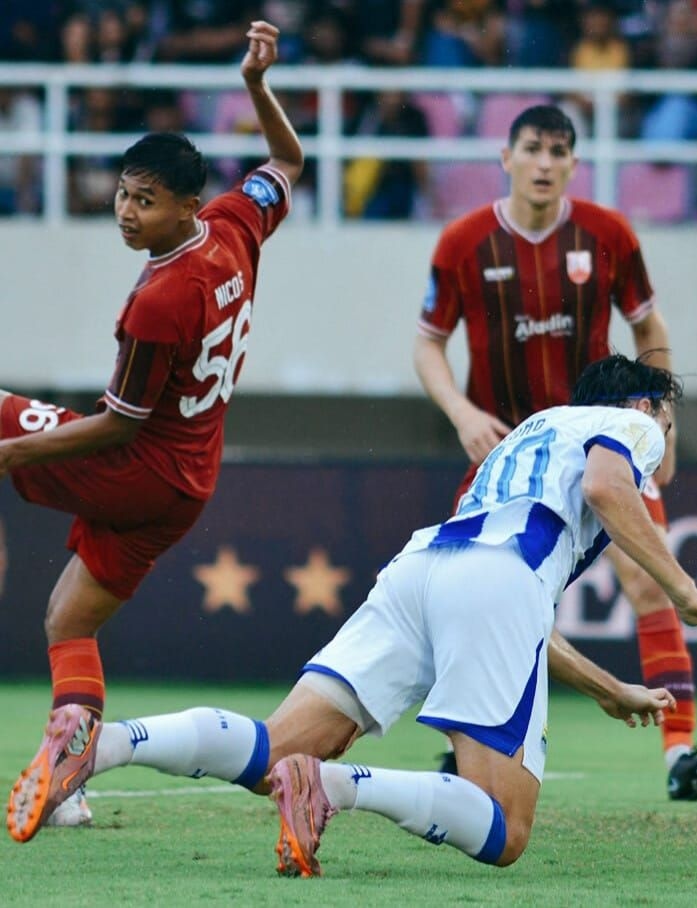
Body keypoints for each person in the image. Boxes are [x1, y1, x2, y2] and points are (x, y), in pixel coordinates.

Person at [6, 354, 697, 876]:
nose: (665, 442)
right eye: (668, 424)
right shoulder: (629, 426)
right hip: (493, 584)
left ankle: (100, 747)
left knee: (272, 753)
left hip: (423, 570)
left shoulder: (534, 431)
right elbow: (605, 491)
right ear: (644, 408)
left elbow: (508, 612)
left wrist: (607, 689)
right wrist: (686, 592)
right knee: (506, 829)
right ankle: (333, 788)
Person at [1, 20, 303, 837]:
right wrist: (257, 86)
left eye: (145, 201)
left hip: (137, 469)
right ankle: (70, 786)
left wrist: (13, 453)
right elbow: (288, 163)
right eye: (124, 194)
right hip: (188, 487)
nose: (127, 213)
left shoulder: (161, 299)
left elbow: (117, 426)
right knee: (68, 622)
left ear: (185, 207)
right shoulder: (235, 224)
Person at [412, 104, 697, 801]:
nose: (545, 163)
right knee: (482, 597)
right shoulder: (463, 242)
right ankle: (463, 746)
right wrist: (461, 412)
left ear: (574, 164)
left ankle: (680, 753)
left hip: (604, 442)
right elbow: (428, 343)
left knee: (649, 582)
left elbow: (648, 323)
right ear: (506, 157)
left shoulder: (608, 235)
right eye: (533, 149)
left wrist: (663, 417)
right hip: (510, 455)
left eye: (559, 152)